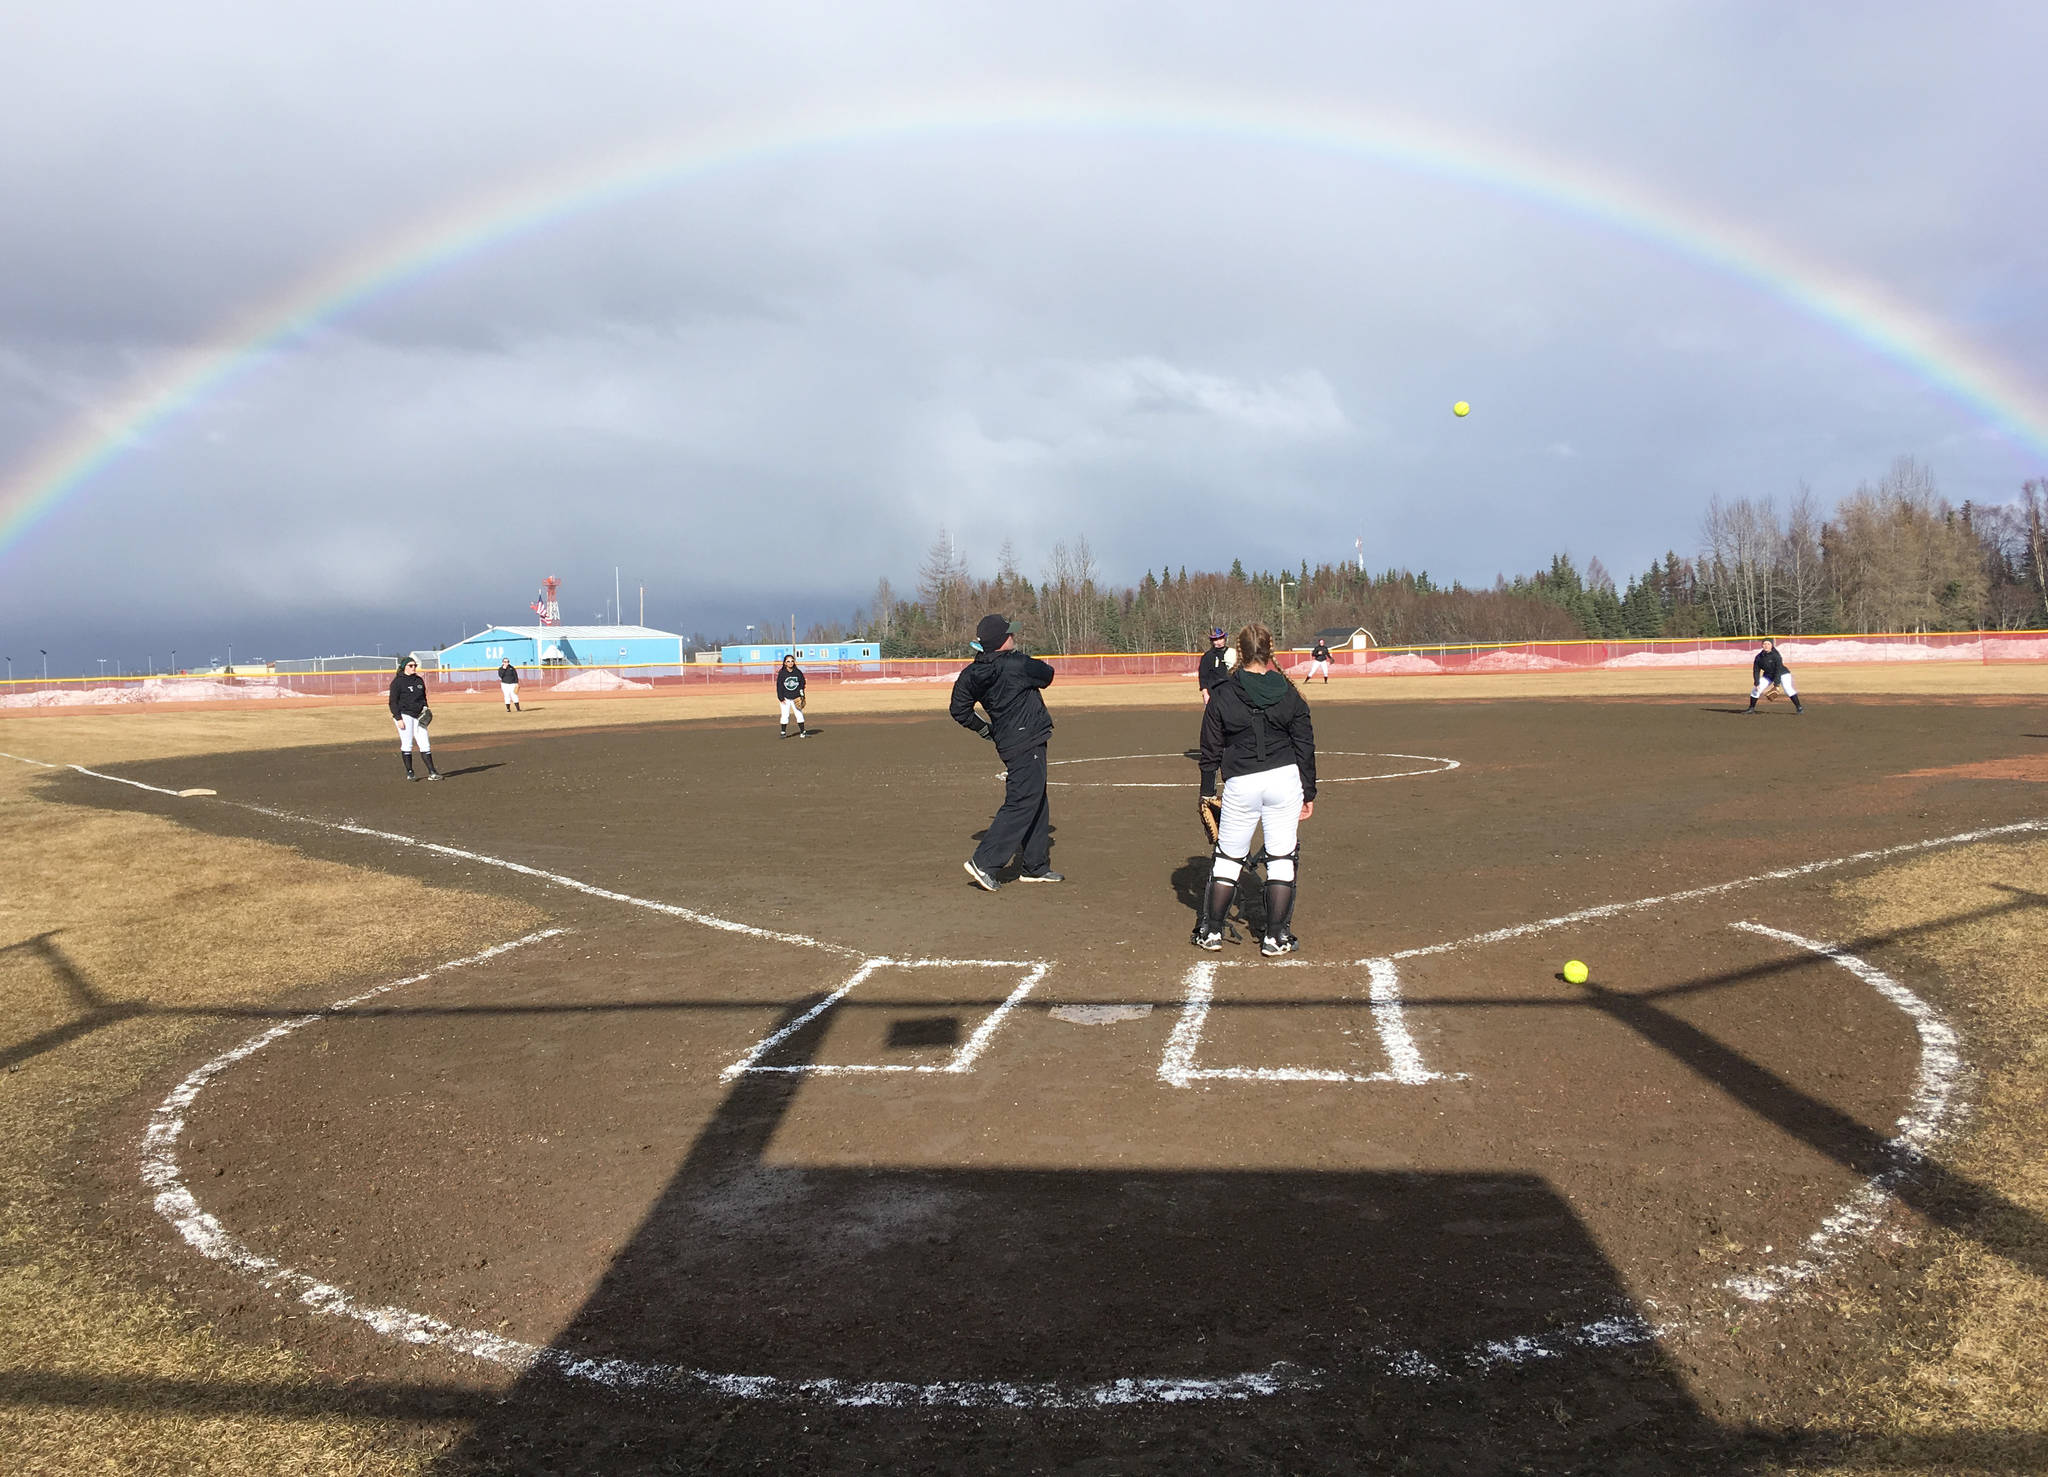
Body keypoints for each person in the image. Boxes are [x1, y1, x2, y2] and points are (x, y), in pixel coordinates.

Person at [1193, 622, 1316, 956]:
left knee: (1228, 859)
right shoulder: (1289, 691)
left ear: (1239, 652)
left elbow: (1210, 747)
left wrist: (1207, 791)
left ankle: (1212, 932)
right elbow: (1304, 744)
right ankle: (1276, 937)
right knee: (1281, 859)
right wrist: (1309, 793)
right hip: (1284, 781)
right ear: (1270, 651)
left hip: (1242, 783)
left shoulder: (1223, 693)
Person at [951, 613, 1061, 889]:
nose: (1014, 637)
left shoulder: (972, 673)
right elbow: (1047, 674)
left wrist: (984, 729)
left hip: (1010, 741)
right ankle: (984, 862)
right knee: (1022, 801)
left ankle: (1035, 866)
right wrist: (1018, 658)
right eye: (1010, 634)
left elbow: (959, 710)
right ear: (1002, 641)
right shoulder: (1015, 664)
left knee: (1036, 798)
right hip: (1026, 742)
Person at [388, 657, 439, 781]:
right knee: (407, 744)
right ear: (404, 667)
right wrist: (398, 718)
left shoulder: (419, 680)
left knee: (424, 743)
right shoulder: (397, 682)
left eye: (415, 665)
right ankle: (410, 772)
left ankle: (432, 772)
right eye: (411, 665)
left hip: (419, 715)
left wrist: (426, 708)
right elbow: (392, 702)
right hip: (404, 715)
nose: (413, 668)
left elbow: (423, 697)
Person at [1746, 638, 1804, 714]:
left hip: (1783, 673)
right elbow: (1756, 670)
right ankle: (1751, 708)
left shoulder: (1776, 655)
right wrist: (1756, 683)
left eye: (1768, 644)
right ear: (1762, 645)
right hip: (1768, 675)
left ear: (1772, 645)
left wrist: (1776, 685)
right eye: (1764, 644)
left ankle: (1799, 707)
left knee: (1788, 689)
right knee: (1756, 689)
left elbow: (1778, 670)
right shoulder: (1759, 657)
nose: (1766, 646)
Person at [774, 653, 809, 738]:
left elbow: (802, 684)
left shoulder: (797, 672)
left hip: (796, 697)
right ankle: (783, 732)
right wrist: (781, 698)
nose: (790, 663)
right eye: (788, 661)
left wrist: (801, 695)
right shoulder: (782, 673)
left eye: (792, 661)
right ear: (785, 663)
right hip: (785, 698)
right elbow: (779, 686)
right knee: (785, 715)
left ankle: (802, 732)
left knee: (799, 714)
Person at [1197, 627, 1233, 703]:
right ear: (1212, 641)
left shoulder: (1232, 653)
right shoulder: (1208, 656)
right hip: (1213, 692)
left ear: (1224, 638)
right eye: (1215, 640)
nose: (1218, 642)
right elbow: (1203, 677)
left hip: (1230, 692)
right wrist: (1205, 694)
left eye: (1220, 639)